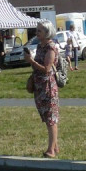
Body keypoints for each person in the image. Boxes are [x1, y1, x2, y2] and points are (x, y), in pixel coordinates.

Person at [25, 22, 60, 158]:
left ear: (47, 32)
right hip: (39, 86)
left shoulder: (50, 48)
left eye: (39, 31)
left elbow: (46, 69)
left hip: (48, 86)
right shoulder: (40, 46)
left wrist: (31, 61)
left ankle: (51, 150)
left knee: (51, 117)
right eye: (37, 30)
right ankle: (55, 146)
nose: (37, 33)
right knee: (46, 116)